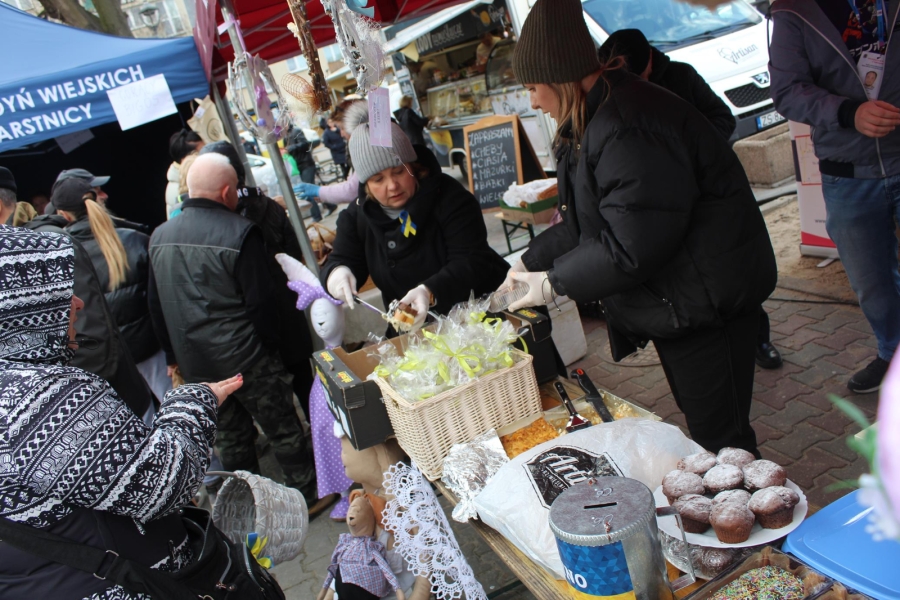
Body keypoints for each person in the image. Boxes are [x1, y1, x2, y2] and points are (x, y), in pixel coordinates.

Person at [504, 0, 776, 455]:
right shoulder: (592, 117)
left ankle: (765, 520)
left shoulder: (628, 125)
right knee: (711, 432)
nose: (532, 100)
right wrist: (523, 264)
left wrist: (553, 283)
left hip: (707, 299)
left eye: (534, 87)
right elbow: (584, 223)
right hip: (683, 299)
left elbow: (632, 243)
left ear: (562, 76)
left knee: (723, 441)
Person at [0, 224, 243, 599]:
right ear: (27, 308)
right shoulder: (39, 399)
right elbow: (165, 483)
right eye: (61, 296)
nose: (78, 304)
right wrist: (192, 400)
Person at [147, 153, 331, 516]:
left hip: (198, 363)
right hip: (248, 357)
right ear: (228, 191)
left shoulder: (160, 236)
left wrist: (173, 357)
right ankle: (306, 496)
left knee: (232, 438)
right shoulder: (239, 232)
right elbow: (262, 302)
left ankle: (250, 507)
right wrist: (270, 347)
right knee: (282, 429)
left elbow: (156, 304)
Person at [598, 28, 783, 370]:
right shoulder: (615, 94)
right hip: (664, 204)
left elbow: (723, 118)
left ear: (650, 60)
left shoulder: (681, 75)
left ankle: (759, 338)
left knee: (733, 275)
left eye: (639, 74)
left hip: (710, 199)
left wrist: (690, 156)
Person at [770, 0, 900, 393]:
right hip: (847, 172)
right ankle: (892, 353)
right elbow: (787, 90)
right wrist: (848, 112)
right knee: (871, 281)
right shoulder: (793, 10)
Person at [321, 101, 510, 332]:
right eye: (378, 179)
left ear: (413, 165)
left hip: (479, 321)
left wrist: (429, 290)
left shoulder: (449, 197)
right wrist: (337, 273)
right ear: (366, 183)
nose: (392, 186)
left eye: (399, 171)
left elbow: (472, 260)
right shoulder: (357, 216)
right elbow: (342, 258)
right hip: (413, 330)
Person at [199, 140, 316, 416]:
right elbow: (293, 253)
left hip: (255, 327)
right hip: (288, 311)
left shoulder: (222, 223)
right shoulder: (269, 206)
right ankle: (323, 436)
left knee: (277, 404)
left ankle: (305, 448)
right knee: (305, 382)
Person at [50, 177, 167, 406]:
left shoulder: (58, 258)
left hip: (109, 361)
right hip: (152, 350)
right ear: (95, 200)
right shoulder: (136, 239)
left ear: (63, 214)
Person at [287, 125, 336, 222]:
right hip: (300, 165)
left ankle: (316, 216)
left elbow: (305, 144)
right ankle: (330, 204)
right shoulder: (286, 136)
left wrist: (290, 148)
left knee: (308, 190)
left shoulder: (296, 131)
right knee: (312, 191)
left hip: (307, 164)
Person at [166, 129, 205, 219]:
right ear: (186, 159)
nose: (207, 154)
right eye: (201, 152)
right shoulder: (177, 189)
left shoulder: (183, 178)